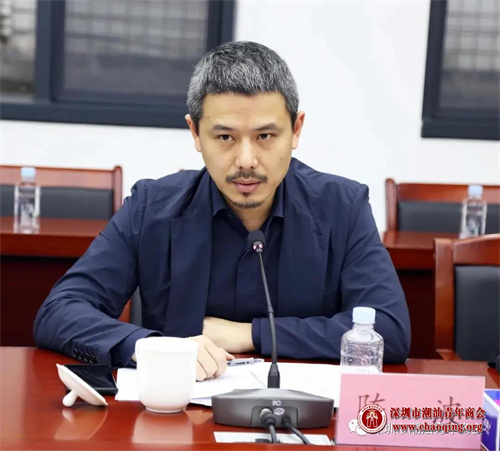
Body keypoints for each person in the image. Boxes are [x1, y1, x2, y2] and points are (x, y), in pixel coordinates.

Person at [34, 41, 410, 381]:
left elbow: (388, 329)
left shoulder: (342, 208)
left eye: (265, 136)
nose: (246, 160)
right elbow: (60, 311)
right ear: (195, 133)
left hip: (302, 414)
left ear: (296, 130)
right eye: (225, 137)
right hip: (179, 412)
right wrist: (148, 347)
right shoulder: (152, 207)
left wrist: (251, 334)